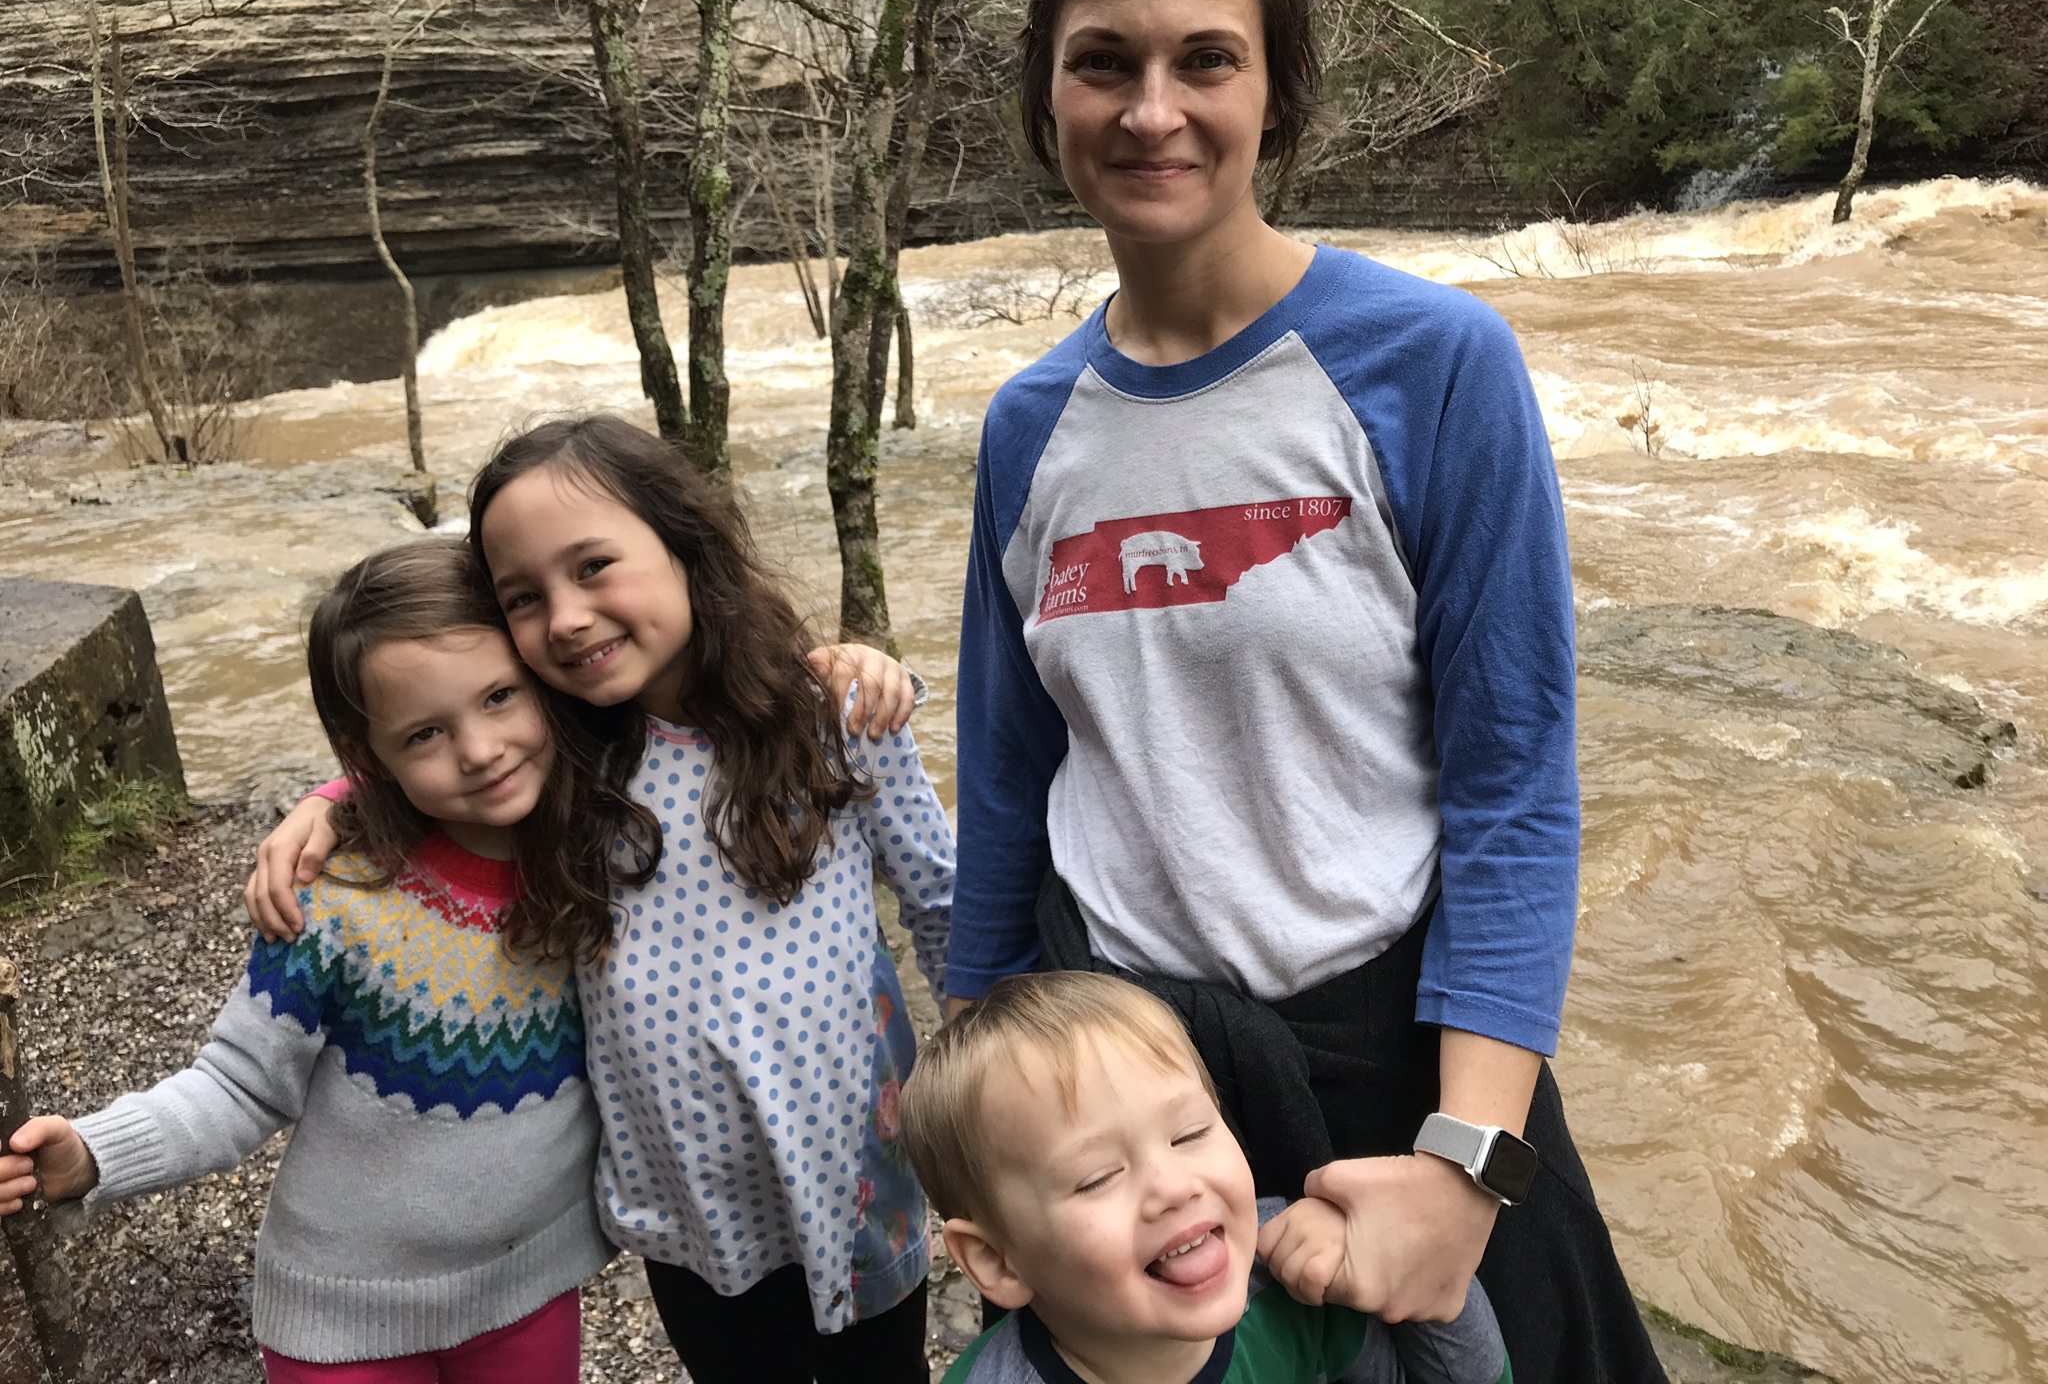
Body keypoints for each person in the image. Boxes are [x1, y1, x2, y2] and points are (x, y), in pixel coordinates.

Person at [948, 0, 1666, 1382]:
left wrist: (1470, 1166)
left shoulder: (1435, 365)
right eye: (1104, 61)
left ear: (1278, 93)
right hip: (1129, 1096)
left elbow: (1513, 787)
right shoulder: (1027, 427)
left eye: (1207, 59)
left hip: (1397, 1066)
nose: (1153, 110)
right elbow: (1011, 784)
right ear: (1046, 92)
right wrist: (966, 1099)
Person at [245, 415, 952, 1384]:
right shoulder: (569, 764)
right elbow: (444, 742)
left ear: (683, 543)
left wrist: (993, 1112)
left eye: (593, 567)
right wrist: (333, 802)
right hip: (692, 1223)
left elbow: (942, 904)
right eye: (524, 599)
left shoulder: (832, 717)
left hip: (859, 1182)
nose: (568, 617)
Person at [0, 539, 634, 1382]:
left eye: (499, 696)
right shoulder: (335, 899)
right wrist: (93, 1154)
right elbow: (238, 1087)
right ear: (369, 756)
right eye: (425, 733)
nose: (481, 750)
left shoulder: (614, 849)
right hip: (343, 1318)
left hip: (532, 1288)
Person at [900, 971, 1511, 1384]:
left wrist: (1402, 1259)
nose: (1174, 1186)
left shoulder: (1297, 1284)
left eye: (1191, 1133)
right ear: (996, 1260)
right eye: (1097, 1177)